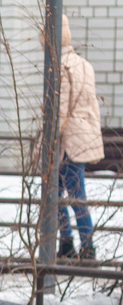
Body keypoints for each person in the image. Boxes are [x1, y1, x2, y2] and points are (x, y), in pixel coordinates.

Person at [56, 15, 104, 260]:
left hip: (68, 142)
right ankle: (84, 247)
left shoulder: (61, 66)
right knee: (75, 196)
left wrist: (48, 142)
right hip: (83, 137)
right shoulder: (85, 65)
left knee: (57, 196)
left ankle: (72, 245)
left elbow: (59, 110)